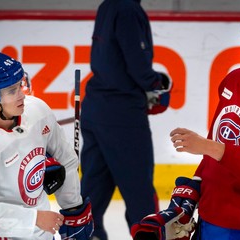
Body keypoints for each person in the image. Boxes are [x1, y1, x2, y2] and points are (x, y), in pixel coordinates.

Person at [170, 5, 240, 240]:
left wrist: (206, 146)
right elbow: (218, 144)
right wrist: (194, 187)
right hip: (210, 217)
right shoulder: (236, 80)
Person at [0, 51, 93, 240]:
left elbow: (65, 157)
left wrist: (73, 207)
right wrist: (33, 219)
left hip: (42, 234)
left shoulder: (37, 111)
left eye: (20, 86)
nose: (21, 96)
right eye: (11, 91)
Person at [80, 0, 172, 239]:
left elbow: (112, 59)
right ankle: (147, 235)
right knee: (139, 188)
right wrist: (155, 84)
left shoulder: (107, 5)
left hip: (96, 106)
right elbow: (137, 62)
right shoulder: (128, 9)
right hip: (122, 114)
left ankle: (86, 233)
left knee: (95, 182)